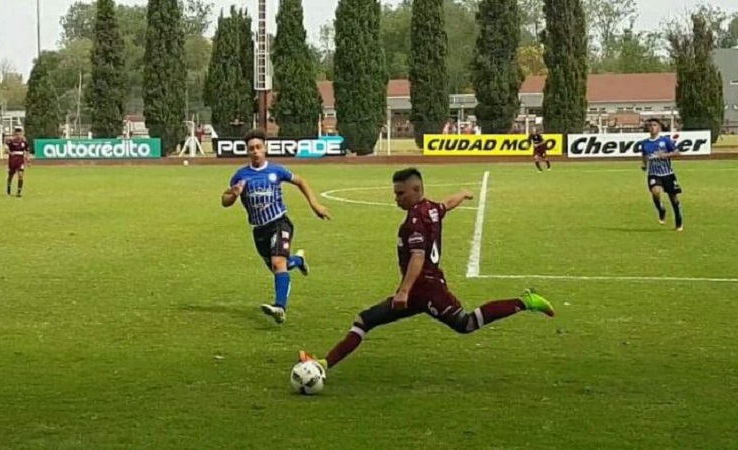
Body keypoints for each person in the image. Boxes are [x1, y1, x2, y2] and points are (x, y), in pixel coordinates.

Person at [299, 168, 555, 372]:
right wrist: (463, 194)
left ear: (416, 190)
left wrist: (403, 291)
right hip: (419, 290)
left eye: (401, 194)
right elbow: (447, 205)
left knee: (466, 324)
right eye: (395, 193)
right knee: (364, 320)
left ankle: (526, 301)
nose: (396, 198)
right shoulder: (431, 208)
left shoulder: (414, 221)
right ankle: (322, 364)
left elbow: (418, 256)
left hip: (426, 290)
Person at [221, 128, 332, 324]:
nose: (255, 151)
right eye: (251, 148)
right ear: (247, 151)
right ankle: (297, 260)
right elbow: (225, 200)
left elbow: (300, 181)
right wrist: (234, 194)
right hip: (259, 230)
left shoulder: (276, 170)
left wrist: (315, 205)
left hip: (280, 223)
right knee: (280, 267)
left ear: (265, 149)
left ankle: (280, 307)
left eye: (258, 147)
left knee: (278, 263)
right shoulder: (240, 175)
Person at [640, 118, 683, 231]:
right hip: (654, 174)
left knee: (673, 198)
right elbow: (644, 155)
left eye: (654, 125)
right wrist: (644, 164)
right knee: (655, 192)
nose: (652, 127)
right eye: (650, 125)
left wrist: (666, 155)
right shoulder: (645, 143)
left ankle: (678, 220)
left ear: (659, 127)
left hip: (667, 173)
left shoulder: (666, 140)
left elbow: (677, 152)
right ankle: (661, 209)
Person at [6, 126, 30, 197]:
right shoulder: (10, 141)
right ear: (15, 134)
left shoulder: (24, 142)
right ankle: (8, 189)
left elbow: (27, 151)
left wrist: (28, 160)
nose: (19, 135)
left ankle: (19, 192)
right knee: (11, 175)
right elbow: (6, 149)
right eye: (17, 134)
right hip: (12, 161)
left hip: (20, 161)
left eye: (20, 134)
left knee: (20, 175)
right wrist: (10, 153)